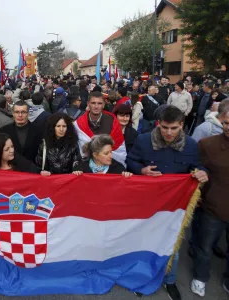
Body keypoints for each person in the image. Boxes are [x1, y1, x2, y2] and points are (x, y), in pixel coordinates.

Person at [126, 105, 208, 300]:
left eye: (174, 128)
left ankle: (169, 281)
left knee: (172, 247)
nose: (169, 132)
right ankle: (145, 278)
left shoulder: (191, 145)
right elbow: (130, 161)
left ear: (181, 125)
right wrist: (142, 170)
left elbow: (197, 167)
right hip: (147, 204)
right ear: (158, 124)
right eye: (164, 127)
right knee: (146, 244)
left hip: (175, 207)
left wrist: (203, 172)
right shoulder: (143, 140)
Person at [191, 107, 229, 297]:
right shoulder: (207, 144)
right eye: (227, 123)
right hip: (213, 206)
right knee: (204, 246)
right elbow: (194, 167)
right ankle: (200, 277)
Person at [74, 91, 127, 167]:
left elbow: (119, 149)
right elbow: (78, 149)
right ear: (88, 104)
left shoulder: (112, 121)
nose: (96, 106)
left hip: (111, 167)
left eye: (99, 103)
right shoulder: (79, 124)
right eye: (93, 103)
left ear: (104, 104)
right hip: (87, 167)